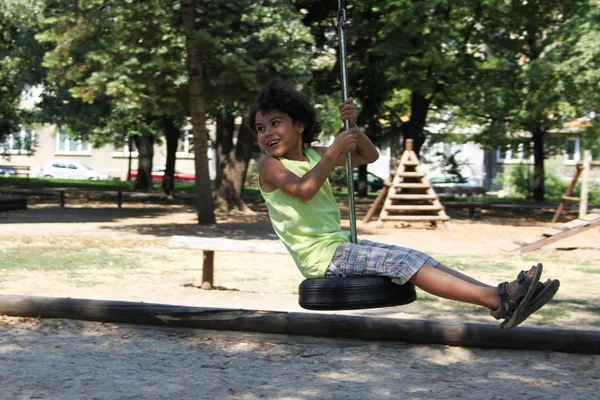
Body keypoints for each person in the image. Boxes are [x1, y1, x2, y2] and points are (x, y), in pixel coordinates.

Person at [249, 80, 559, 330]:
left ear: (300, 125)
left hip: (339, 245)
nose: (267, 133)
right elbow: (303, 190)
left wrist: (353, 126)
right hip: (322, 257)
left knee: (417, 257)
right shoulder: (268, 164)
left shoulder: (315, 155)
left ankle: (502, 293)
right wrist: (332, 153)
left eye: (276, 123)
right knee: (404, 265)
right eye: (261, 128)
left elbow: (369, 156)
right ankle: (497, 299)